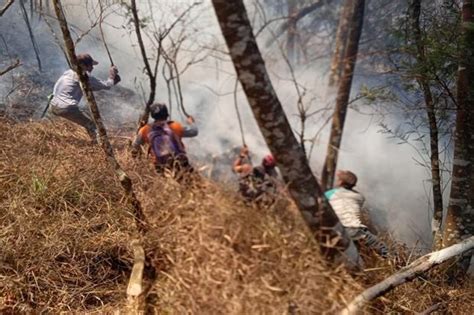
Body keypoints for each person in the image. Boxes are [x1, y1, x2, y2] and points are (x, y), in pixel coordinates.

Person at [49, 53, 121, 141]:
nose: (92, 68)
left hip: (53, 105)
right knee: (92, 125)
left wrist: (113, 80)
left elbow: (90, 87)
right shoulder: (83, 76)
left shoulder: (68, 72)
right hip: (66, 108)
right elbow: (106, 85)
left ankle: (95, 142)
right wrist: (112, 76)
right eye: (90, 65)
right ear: (83, 65)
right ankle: (100, 145)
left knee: (87, 118)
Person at [325, 170, 389, 258]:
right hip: (356, 230)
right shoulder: (359, 197)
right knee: (383, 249)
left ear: (340, 182)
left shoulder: (329, 194)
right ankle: (396, 265)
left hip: (337, 229)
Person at [131, 103, 198, 176]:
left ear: (153, 115)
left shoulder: (144, 130)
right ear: (166, 114)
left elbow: (135, 149)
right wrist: (191, 122)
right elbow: (194, 132)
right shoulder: (175, 126)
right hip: (180, 163)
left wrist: (137, 164)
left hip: (160, 167)